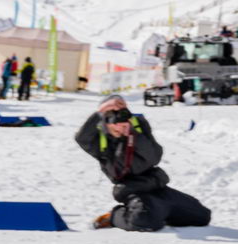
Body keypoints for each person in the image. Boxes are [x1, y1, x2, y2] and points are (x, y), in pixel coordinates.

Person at [76, 95, 211, 232]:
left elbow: (154, 157)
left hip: (157, 185)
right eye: (111, 117)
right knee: (143, 221)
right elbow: (82, 138)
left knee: (202, 216)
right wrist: (100, 112)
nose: (118, 125)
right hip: (133, 190)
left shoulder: (137, 128)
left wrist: (133, 135)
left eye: (121, 116)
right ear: (104, 121)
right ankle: (114, 216)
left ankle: (161, 211)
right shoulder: (100, 143)